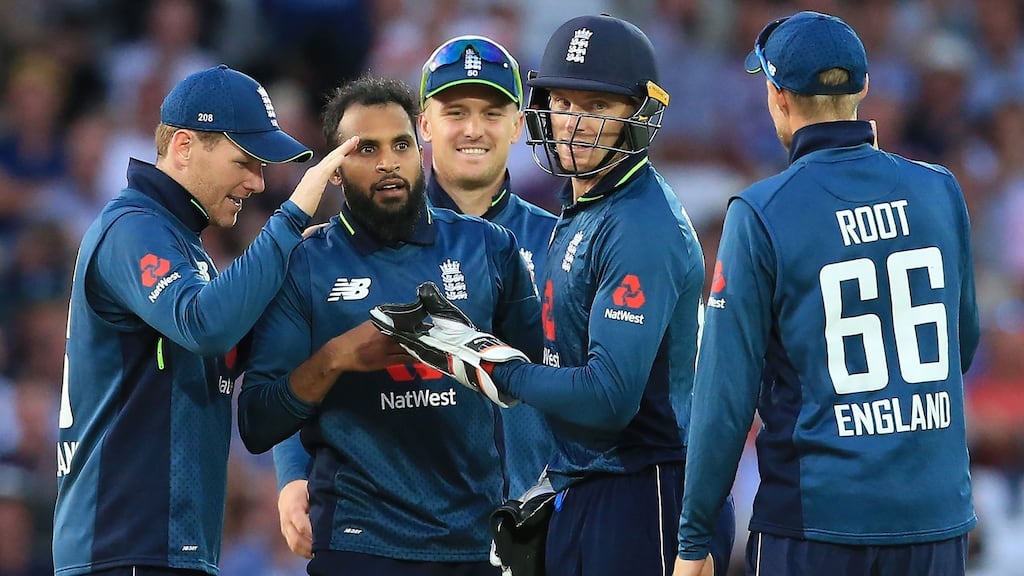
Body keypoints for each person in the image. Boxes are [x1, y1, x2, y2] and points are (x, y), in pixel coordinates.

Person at [389, 13, 735, 576]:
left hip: (644, 487)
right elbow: (560, 356)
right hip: (591, 484)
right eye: (564, 102)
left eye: (597, 107)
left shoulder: (638, 226)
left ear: (639, 115)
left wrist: (493, 368)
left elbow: (608, 399)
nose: (574, 122)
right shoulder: (584, 208)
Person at [673, 11, 980, 576]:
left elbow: (724, 398)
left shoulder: (760, 212)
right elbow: (961, 345)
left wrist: (694, 542)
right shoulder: (940, 190)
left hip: (817, 520)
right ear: (862, 89)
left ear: (777, 96)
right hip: (935, 518)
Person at [52, 64, 360, 576]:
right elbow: (204, 325)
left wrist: (299, 274)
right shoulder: (133, 227)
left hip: (163, 548)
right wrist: (290, 219)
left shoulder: (182, 245)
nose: (257, 182)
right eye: (244, 162)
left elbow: (234, 347)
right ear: (184, 146)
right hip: (125, 547)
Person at [236, 74, 542, 576]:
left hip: (476, 541)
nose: (388, 162)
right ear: (335, 171)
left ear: (420, 151)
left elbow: (537, 382)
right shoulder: (305, 264)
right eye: (366, 148)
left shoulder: (490, 247)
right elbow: (257, 421)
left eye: (401, 145)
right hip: (357, 541)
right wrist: (334, 359)